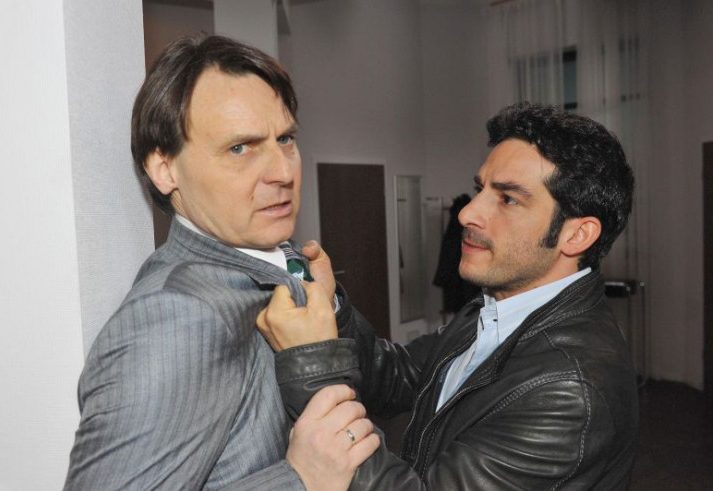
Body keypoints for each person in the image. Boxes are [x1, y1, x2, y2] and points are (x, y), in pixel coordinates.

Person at [257, 102, 640, 489]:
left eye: (508, 199)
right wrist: (331, 308)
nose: (467, 213)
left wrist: (312, 365)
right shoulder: (497, 308)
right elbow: (400, 376)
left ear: (577, 235)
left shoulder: (569, 391)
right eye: (480, 189)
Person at [65, 34, 378, 490]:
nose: (283, 172)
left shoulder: (281, 258)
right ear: (164, 169)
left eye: (285, 139)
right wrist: (300, 479)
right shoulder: (175, 317)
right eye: (240, 148)